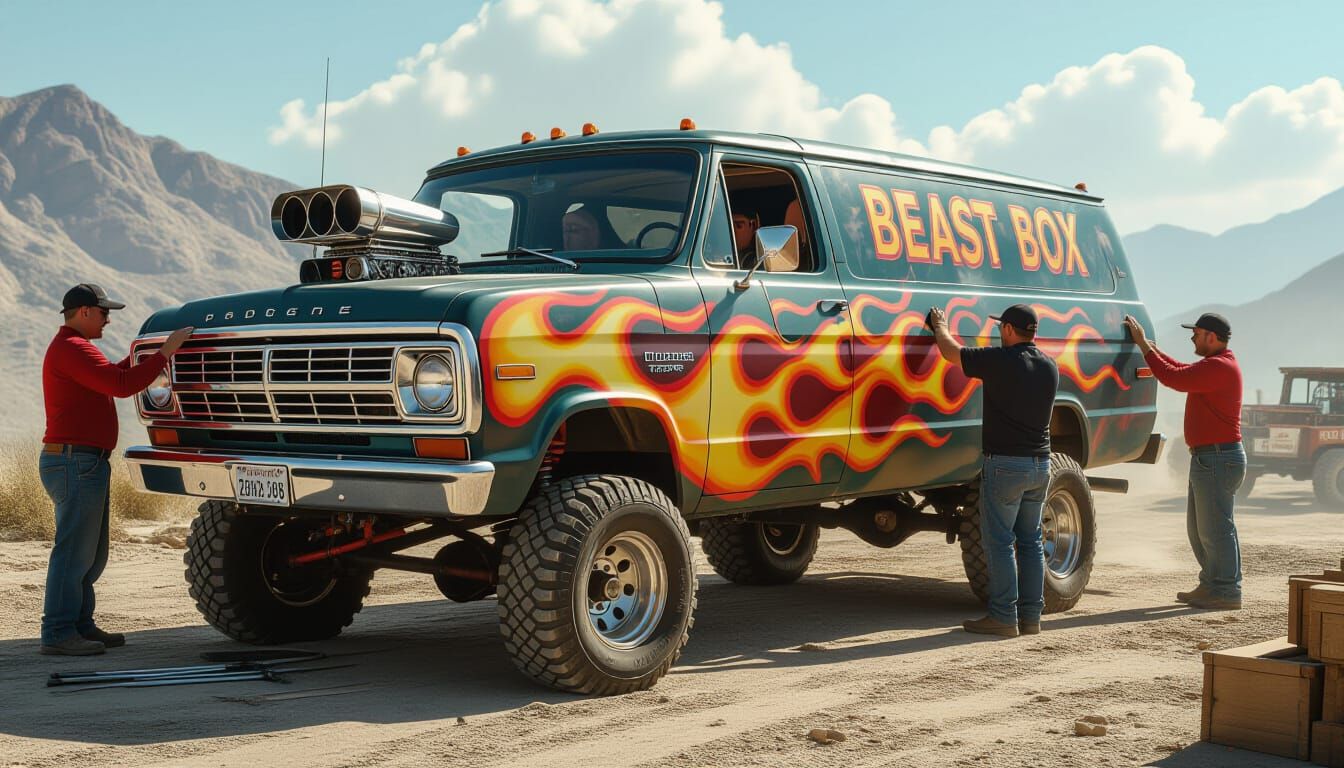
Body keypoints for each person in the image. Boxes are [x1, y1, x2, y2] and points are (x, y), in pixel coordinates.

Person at [40, 284, 193, 655]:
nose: (108, 319)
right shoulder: (72, 349)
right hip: (74, 461)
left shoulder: (76, 350)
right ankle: (59, 632)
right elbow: (120, 385)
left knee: (89, 554)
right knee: (74, 552)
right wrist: (165, 355)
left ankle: (80, 624)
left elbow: (113, 376)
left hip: (81, 461)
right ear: (85, 312)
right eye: (104, 312)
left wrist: (147, 356)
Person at [928, 303, 1059, 637]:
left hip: (1005, 465)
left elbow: (951, 353)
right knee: (1030, 541)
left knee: (999, 542)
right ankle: (1031, 617)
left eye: (1001, 327)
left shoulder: (1000, 361)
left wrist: (939, 325)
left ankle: (1003, 616)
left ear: (1010, 330)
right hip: (1040, 464)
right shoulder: (1049, 366)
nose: (999, 332)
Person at [1124, 312, 1244, 610]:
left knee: (1215, 528)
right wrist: (1150, 347)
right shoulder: (1214, 365)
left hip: (1217, 458)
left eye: (1197, 333)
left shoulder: (1220, 367)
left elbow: (1173, 378)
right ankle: (1212, 585)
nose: (1193, 337)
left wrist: (1145, 348)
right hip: (1210, 458)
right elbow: (1180, 369)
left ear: (1212, 337)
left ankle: (1226, 591)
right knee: (1202, 528)